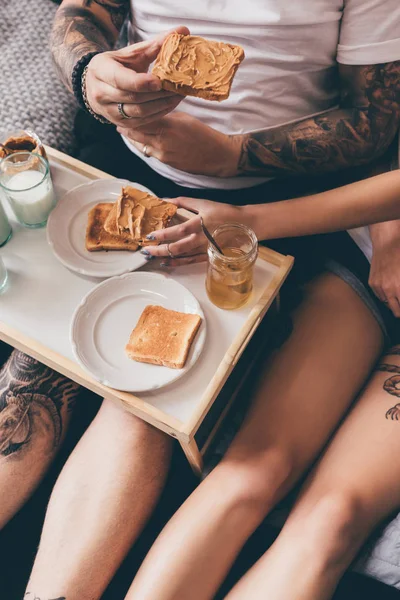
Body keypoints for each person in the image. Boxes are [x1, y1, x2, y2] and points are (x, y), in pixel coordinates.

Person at [23, 0, 400, 598]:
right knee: (103, 400)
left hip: (302, 212)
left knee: (283, 489)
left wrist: (235, 164)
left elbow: (379, 126)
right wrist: (89, 71)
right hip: (142, 181)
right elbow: (81, 11)